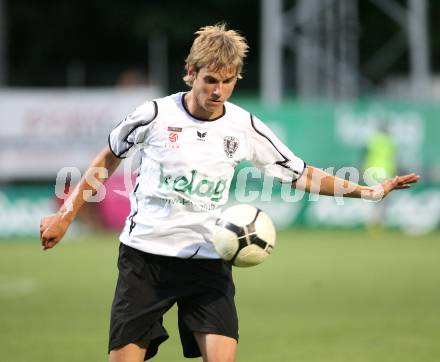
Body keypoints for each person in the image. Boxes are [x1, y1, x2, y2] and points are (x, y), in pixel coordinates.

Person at [40, 23, 420, 362]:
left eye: (228, 80)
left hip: (209, 257)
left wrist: (369, 193)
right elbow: (107, 158)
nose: (219, 90)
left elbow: (300, 174)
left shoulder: (244, 126)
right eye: (210, 80)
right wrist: (66, 215)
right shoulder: (154, 116)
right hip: (145, 259)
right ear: (191, 74)